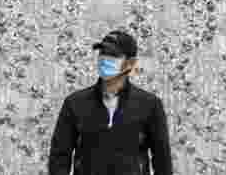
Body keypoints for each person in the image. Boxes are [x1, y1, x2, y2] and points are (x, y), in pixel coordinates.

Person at [48, 30, 173, 175]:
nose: (104, 59)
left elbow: (162, 159)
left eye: (113, 55)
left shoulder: (149, 105)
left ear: (130, 63)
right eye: (102, 53)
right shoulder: (75, 103)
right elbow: (59, 157)